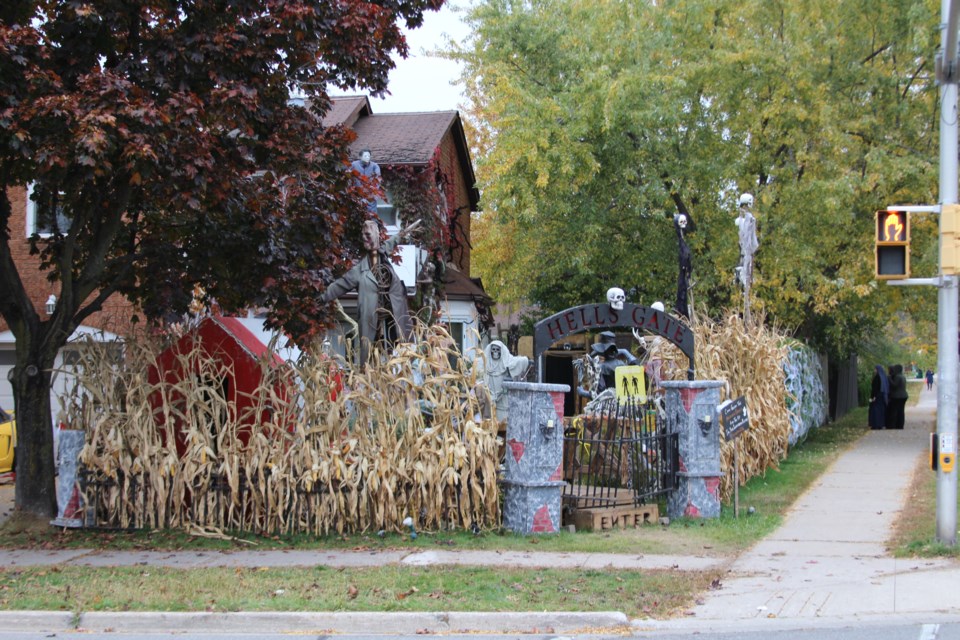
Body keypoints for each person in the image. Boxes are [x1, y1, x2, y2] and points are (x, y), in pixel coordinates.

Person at [321, 219, 418, 365]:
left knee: (399, 355)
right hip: (372, 323)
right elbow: (338, 286)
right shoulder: (359, 271)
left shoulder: (384, 251)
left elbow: (397, 238)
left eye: (368, 234)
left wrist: (406, 231)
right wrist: (320, 298)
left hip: (393, 319)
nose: (364, 237)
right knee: (370, 360)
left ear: (377, 235)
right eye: (362, 234)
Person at [350, 149, 381, 213]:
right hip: (357, 195)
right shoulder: (354, 165)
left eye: (369, 156)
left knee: (372, 216)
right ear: (360, 157)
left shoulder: (374, 166)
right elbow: (347, 175)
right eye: (365, 156)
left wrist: (373, 193)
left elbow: (378, 180)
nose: (367, 158)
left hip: (370, 196)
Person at [886, 364, 908, 430]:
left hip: (897, 396)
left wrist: (889, 379)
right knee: (901, 411)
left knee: (894, 411)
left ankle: (893, 425)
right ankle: (900, 425)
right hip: (903, 396)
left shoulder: (897, 377)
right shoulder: (903, 376)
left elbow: (894, 385)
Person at [868, 364, 888, 430]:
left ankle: (875, 424)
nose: (874, 370)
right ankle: (881, 424)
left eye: (875, 369)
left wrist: (873, 396)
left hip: (877, 395)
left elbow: (875, 388)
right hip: (882, 395)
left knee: (875, 410)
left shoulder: (877, 377)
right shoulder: (883, 376)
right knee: (881, 410)